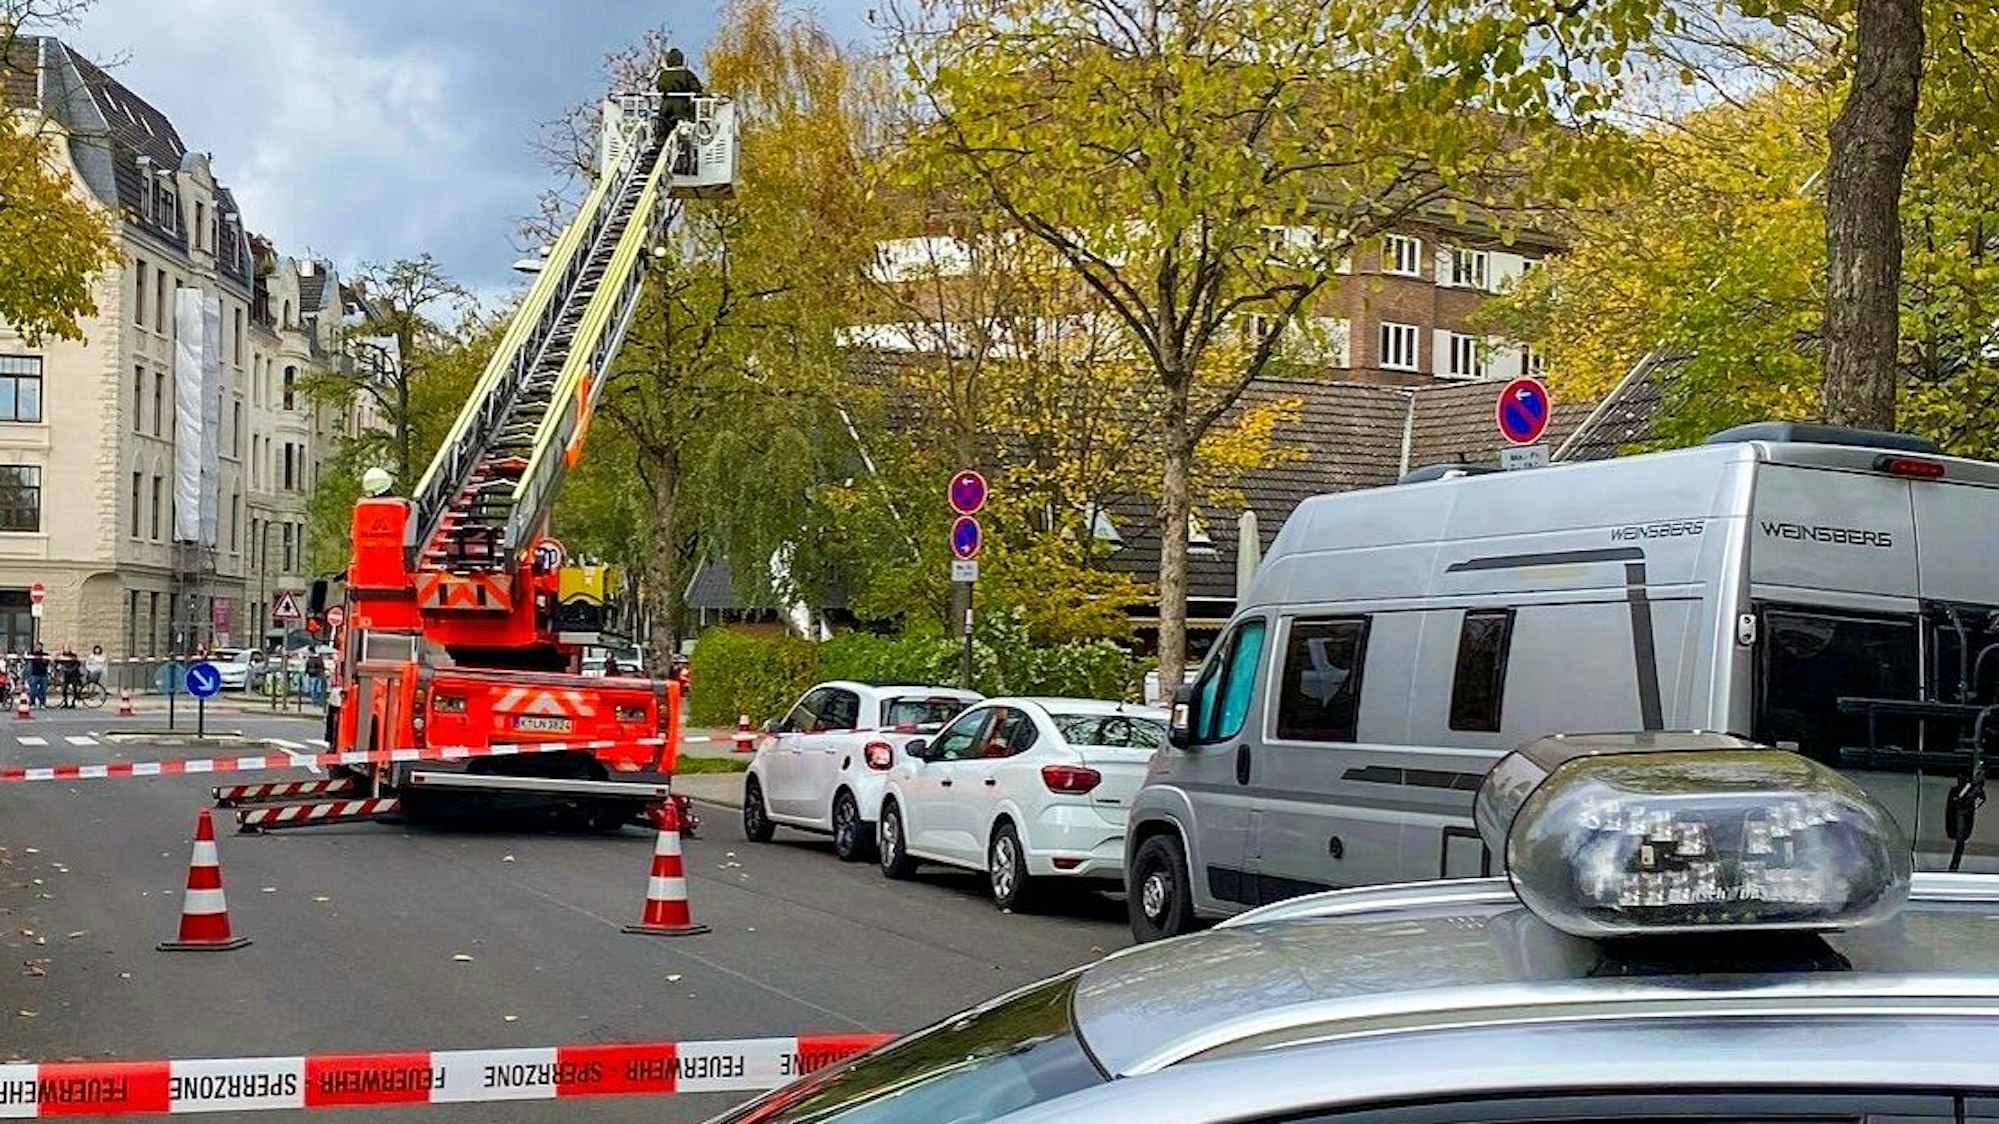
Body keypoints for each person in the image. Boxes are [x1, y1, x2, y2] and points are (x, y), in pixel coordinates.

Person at [654, 47, 704, 168]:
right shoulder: (686, 74)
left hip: (666, 105)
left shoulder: (663, 74)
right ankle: (682, 148)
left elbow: (659, 87)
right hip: (681, 105)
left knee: (663, 125)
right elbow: (696, 88)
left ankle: (660, 142)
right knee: (683, 126)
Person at [25, 644, 48, 708]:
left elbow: (48, 662)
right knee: (33, 690)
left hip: (43, 674)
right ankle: (32, 703)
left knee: (43, 690)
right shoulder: (32, 655)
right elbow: (26, 659)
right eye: (37, 647)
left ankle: (42, 703)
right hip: (34, 674)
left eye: (39, 647)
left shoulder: (45, 655)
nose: (38, 648)